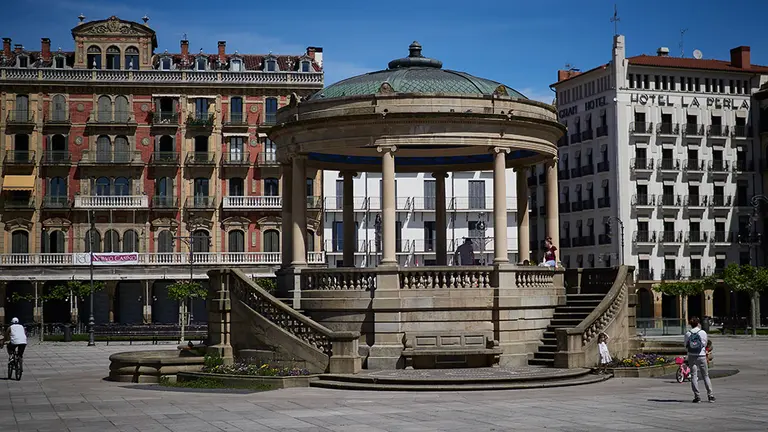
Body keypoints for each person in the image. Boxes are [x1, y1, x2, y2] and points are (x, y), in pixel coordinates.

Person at [684, 316, 714, 403]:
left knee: (693, 375)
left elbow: (685, 345)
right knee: (705, 375)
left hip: (691, 356)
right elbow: (704, 344)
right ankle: (710, 395)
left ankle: (697, 396)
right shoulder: (703, 332)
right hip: (701, 355)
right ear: (698, 323)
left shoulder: (688, 333)